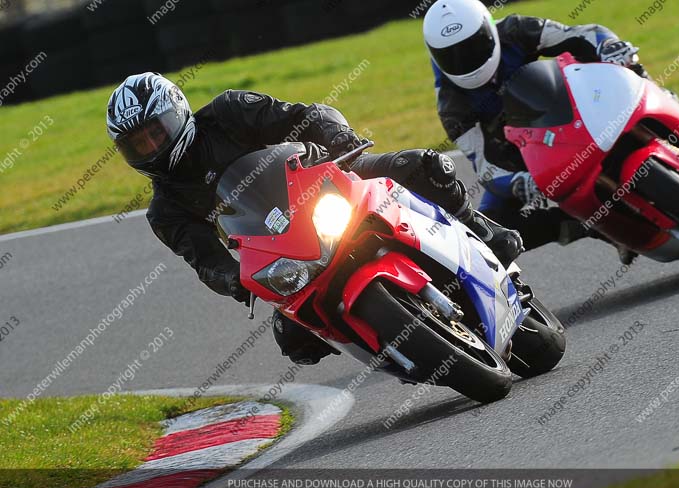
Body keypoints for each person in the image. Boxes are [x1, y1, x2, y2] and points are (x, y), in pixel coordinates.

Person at [106, 72, 523, 365]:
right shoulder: (165, 211)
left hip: (328, 184)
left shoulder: (229, 111)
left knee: (425, 166)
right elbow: (205, 261)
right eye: (137, 144)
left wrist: (338, 138)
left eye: (154, 132)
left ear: (176, 113)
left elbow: (306, 116)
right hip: (283, 252)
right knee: (295, 341)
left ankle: (483, 229)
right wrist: (236, 280)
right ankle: (394, 346)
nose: (150, 147)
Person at [422, 0, 679, 260]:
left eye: (472, 47)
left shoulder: (518, 30)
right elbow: (486, 167)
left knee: (631, 70)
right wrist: (521, 183)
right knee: (488, 232)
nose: (464, 60)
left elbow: (586, 34)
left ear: (488, 31)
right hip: (528, 151)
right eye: (450, 55)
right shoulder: (451, 105)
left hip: (576, 105)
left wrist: (613, 49)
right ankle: (590, 224)